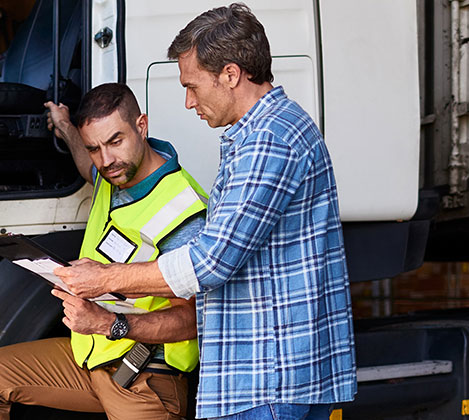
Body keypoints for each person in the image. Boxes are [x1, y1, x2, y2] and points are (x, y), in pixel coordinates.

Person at [51, 4, 355, 420]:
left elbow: (209, 263)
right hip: (270, 375)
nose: (189, 101)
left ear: (231, 74)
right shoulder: (268, 131)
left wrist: (102, 279)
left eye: (192, 86)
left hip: (267, 379)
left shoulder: (269, 140)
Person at [0, 83, 208, 420]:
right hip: (90, 360)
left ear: (142, 126)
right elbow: (84, 163)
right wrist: (65, 127)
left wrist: (110, 323)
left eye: (115, 141)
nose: (105, 160)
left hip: (145, 377)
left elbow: (192, 320)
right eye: (95, 148)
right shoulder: (112, 174)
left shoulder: (182, 208)